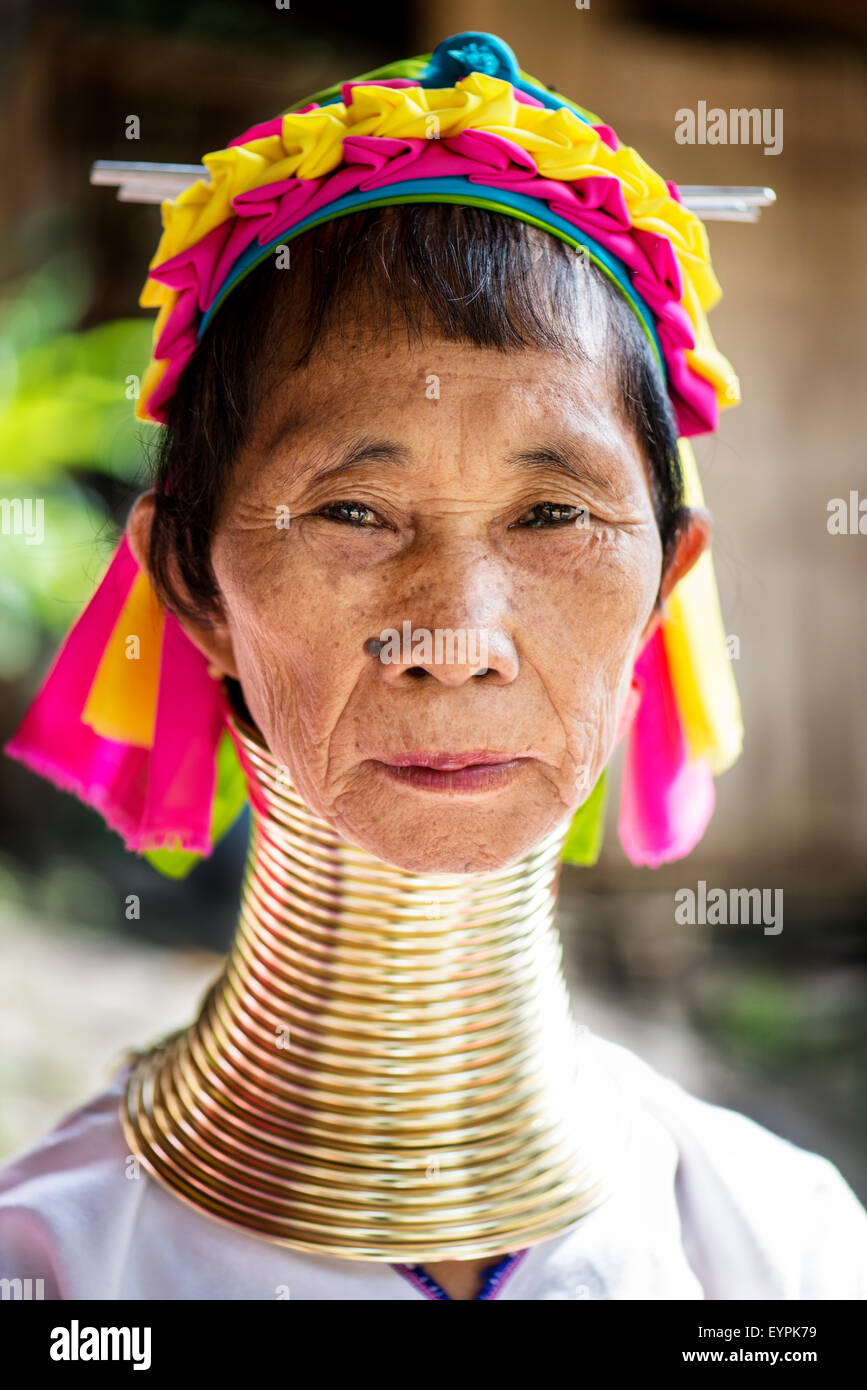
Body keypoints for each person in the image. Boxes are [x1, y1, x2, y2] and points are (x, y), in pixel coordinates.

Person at [1, 31, 865, 1301]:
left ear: (665, 588)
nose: (455, 639)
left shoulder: (787, 1250)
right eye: (354, 513)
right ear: (191, 581)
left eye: (554, 516)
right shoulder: (58, 1276)